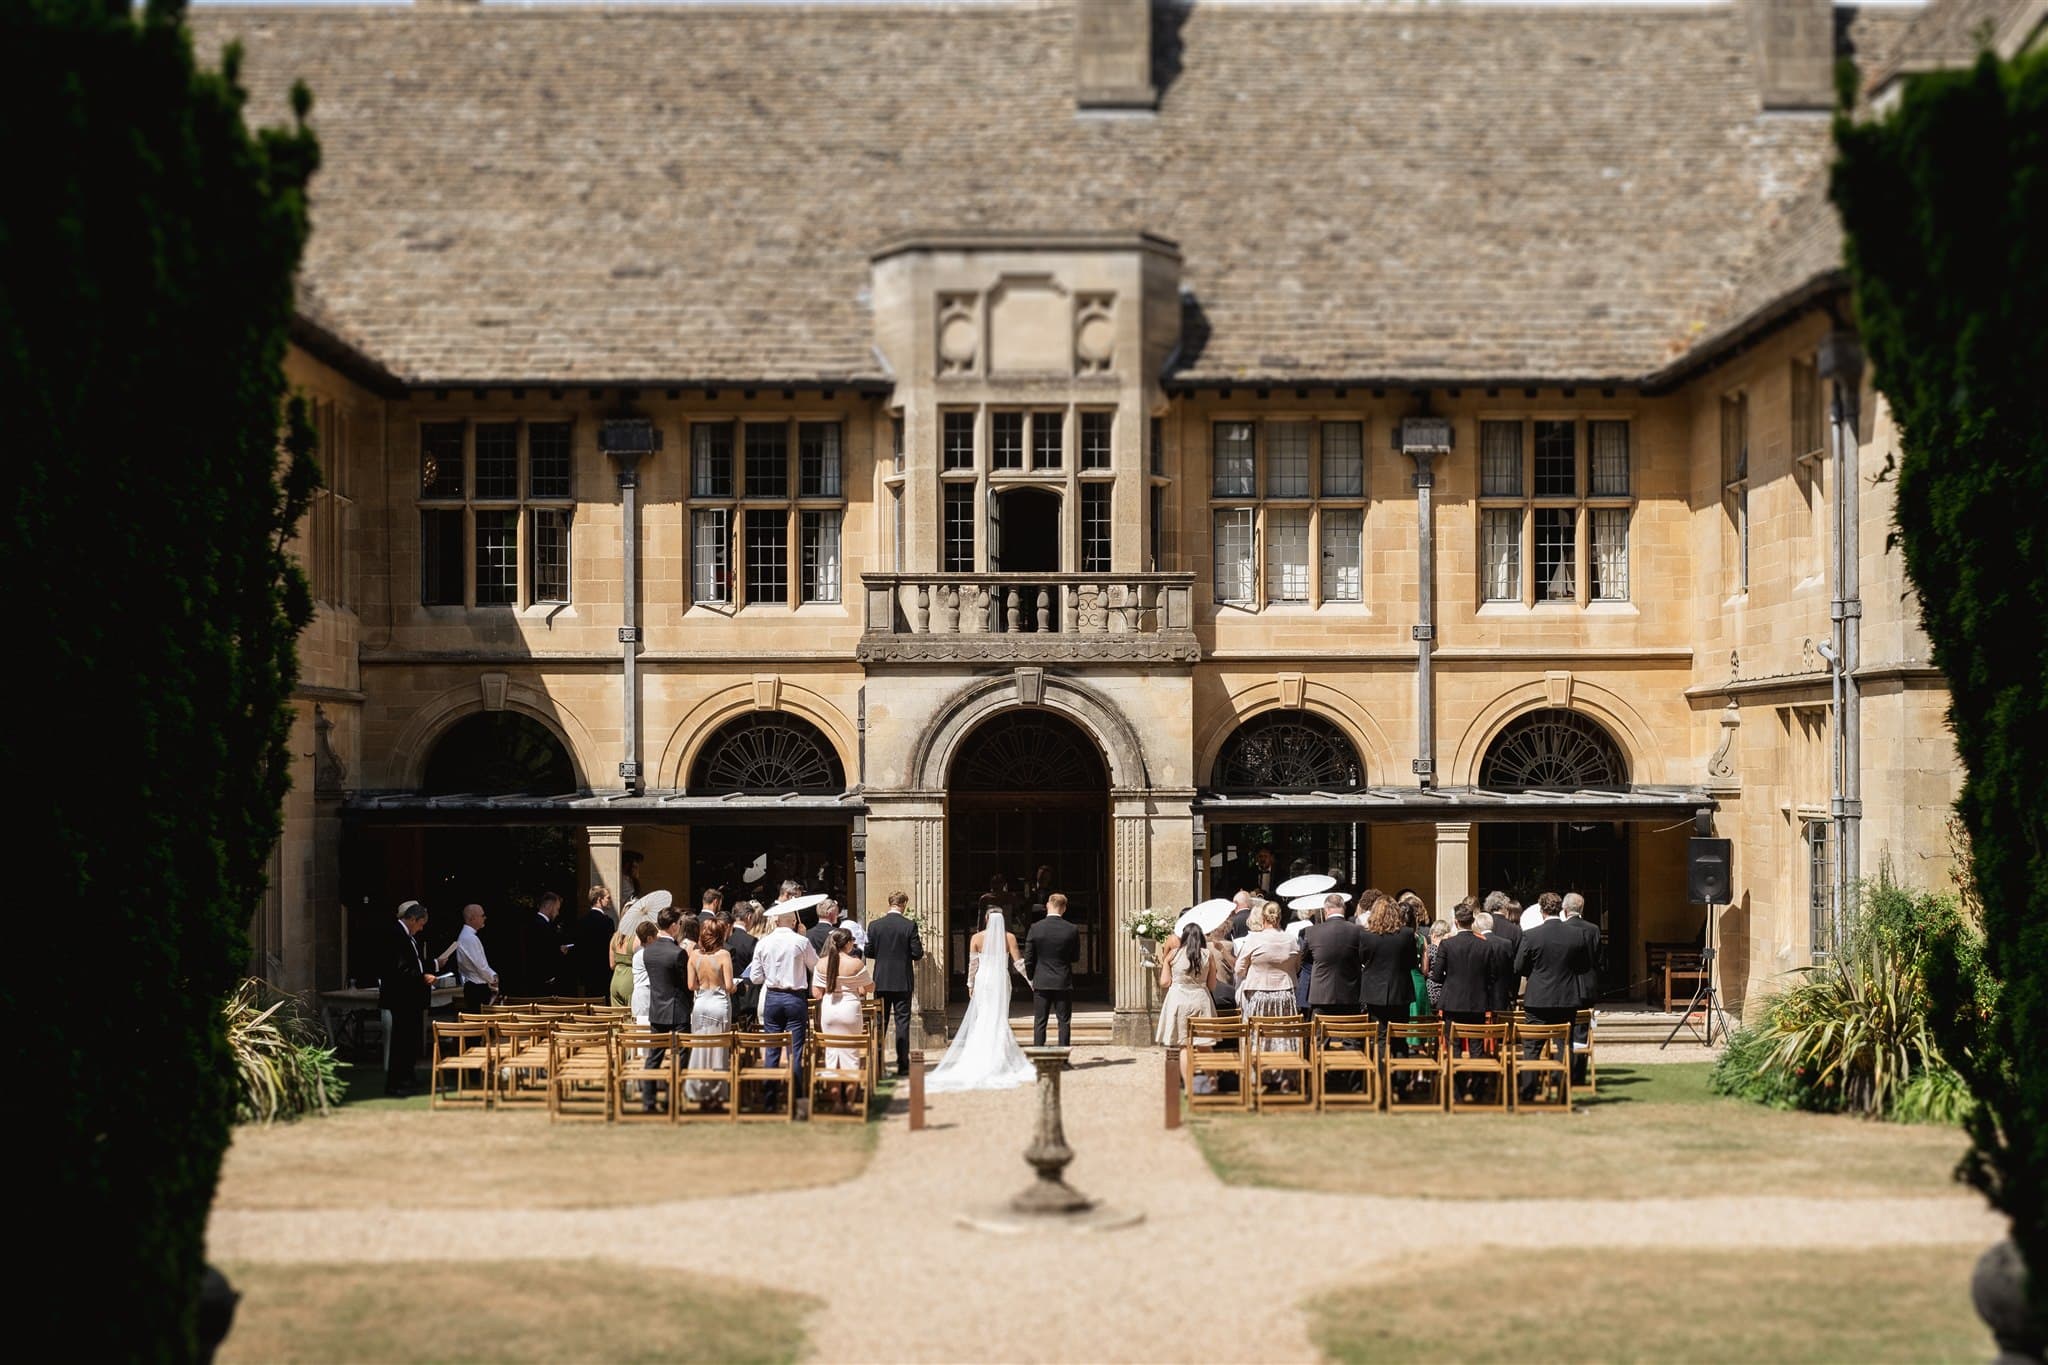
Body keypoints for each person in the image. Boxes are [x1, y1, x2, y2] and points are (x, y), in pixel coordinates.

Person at [926, 903, 1035, 1093]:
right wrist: (1031, 980)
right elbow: (1019, 963)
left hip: (984, 980)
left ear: (985, 919)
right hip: (1000, 980)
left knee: (985, 1016)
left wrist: (970, 984)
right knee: (999, 1017)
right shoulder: (1009, 937)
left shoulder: (976, 938)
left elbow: (973, 965)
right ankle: (999, 1058)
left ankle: (981, 1056)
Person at [1514, 892, 1592, 1098]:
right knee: (1564, 1045)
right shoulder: (1576, 935)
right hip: (1567, 997)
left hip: (1538, 997)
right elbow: (1584, 965)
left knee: (1532, 1047)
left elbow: (1519, 967)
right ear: (1561, 910)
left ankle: (1528, 1092)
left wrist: (1538, 971)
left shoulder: (1531, 935)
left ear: (1541, 910)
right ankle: (1563, 1092)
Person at [746, 901, 819, 1113]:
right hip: (795, 997)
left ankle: (770, 1101)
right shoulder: (800, 941)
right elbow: (815, 966)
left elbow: (756, 978)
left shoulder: (764, 943)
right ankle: (796, 1101)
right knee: (795, 1051)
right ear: (794, 921)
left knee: (772, 1050)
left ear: (777, 920)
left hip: (773, 997)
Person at [1234, 901, 1300, 1091]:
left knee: (1258, 1035)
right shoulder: (1291, 939)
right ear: (1280, 918)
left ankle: (1258, 1077)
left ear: (1263, 918)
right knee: (1284, 1034)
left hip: (1259, 993)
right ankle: (1285, 1077)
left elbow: (1239, 969)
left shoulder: (1254, 940)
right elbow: (1296, 967)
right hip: (1285, 993)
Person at [380, 900, 437, 1097]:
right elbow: (400, 969)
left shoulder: (407, 936)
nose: (421, 928)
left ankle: (407, 1078)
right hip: (401, 998)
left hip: (409, 998)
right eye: (421, 923)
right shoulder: (396, 934)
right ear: (412, 919)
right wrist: (422, 978)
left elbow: (413, 964)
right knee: (401, 1042)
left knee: (408, 1040)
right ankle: (396, 1083)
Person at [812, 927, 872, 1112]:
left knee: (832, 1056)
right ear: (846, 943)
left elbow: (816, 993)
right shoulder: (855, 963)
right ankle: (850, 1103)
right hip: (849, 1010)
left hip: (830, 1010)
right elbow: (869, 988)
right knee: (851, 1056)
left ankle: (837, 1102)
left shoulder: (822, 963)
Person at [865, 890, 924, 1077]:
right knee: (902, 1023)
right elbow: (917, 953)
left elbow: (869, 951)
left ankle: (878, 1064)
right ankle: (903, 1065)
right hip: (902, 981)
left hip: (881, 980)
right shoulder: (909, 925)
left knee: (880, 1023)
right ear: (904, 904)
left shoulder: (874, 925)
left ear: (889, 903)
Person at [640, 907, 688, 1113]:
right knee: (680, 1056)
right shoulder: (678, 953)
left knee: (654, 1057)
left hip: (657, 1009)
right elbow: (685, 984)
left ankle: (648, 1100)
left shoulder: (648, 952)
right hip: (678, 1010)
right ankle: (671, 1097)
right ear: (674, 925)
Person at [685, 916, 735, 1109]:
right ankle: (715, 1093)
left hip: (701, 1003)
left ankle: (700, 1091)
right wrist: (733, 987)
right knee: (718, 1050)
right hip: (718, 1003)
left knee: (700, 1047)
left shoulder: (694, 956)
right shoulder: (724, 955)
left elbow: (691, 985)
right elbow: (729, 985)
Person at [1023, 891, 1082, 1048]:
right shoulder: (1072, 929)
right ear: (1064, 908)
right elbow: (1075, 957)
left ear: (1048, 905)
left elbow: (1028, 957)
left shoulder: (1035, 928)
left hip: (1041, 979)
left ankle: (1038, 1055)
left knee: (1040, 1021)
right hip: (1063, 980)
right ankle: (1063, 1057)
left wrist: (1031, 976)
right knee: (1063, 1021)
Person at [1358, 895, 1418, 1041]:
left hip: (1374, 991)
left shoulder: (1367, 936)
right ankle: (1399, 1062)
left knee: (1380, 1037)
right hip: (1400, 990)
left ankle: (1380, 1064)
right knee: (1399, 1036)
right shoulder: (1406, 934)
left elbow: (1362, 959)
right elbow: (1412, 963)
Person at [1154, 915, 1219, 1047]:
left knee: (1183, 1045)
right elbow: (1212, 985)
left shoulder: (1173, 954)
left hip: (1178, 1000)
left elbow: (1165, 982)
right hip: (1201, 1001)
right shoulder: (1208, 955)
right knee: (1204, 1045)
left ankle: (1187, 1069)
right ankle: (1210, 1067)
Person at [1561, 891, 1602, 1080]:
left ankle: (1564, 1069)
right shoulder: (1593, 929)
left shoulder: (1563, 928)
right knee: (1582, 1030)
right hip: (1586, 984)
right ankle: (1578, 1074)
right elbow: (1597, 957)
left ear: (1565, 909)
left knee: (1565, 1028)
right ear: (1582, 909)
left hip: (1566, 985)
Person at [436, 902, 499, 1013]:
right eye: (482, 915)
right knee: (481, 1022)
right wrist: (493, 978)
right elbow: (480, 965)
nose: (485, 918)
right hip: (477, 988)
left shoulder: (468, 936)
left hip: (474, 986)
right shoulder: (469, 938)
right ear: (472, 918)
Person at [518, 891, 570, 997]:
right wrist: (560, 951)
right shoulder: (544, 926)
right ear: (550, 906)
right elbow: (544, 952)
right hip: (543, 980)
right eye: (557, 909)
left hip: (530, 978)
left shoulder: (530, 923)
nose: (557, 913)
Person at [573, 885, 618, 999]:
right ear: (599, 899)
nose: (609, 901)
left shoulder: (581, 921)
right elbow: (611, 947)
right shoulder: (607, 922)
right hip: (604, 971)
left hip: (587, 971)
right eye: (607, 898)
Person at [724, 896, 759, 1030]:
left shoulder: (726, 938)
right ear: (749, 917)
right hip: (748, 997)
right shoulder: (751, 941)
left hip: (729, 995)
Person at [628, 919, 659, 1027]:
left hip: (645, 994)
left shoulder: (640, 953)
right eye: (656, 936)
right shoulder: (644, 954)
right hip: (644, 996)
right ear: (650, 938)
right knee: (644, 1033)